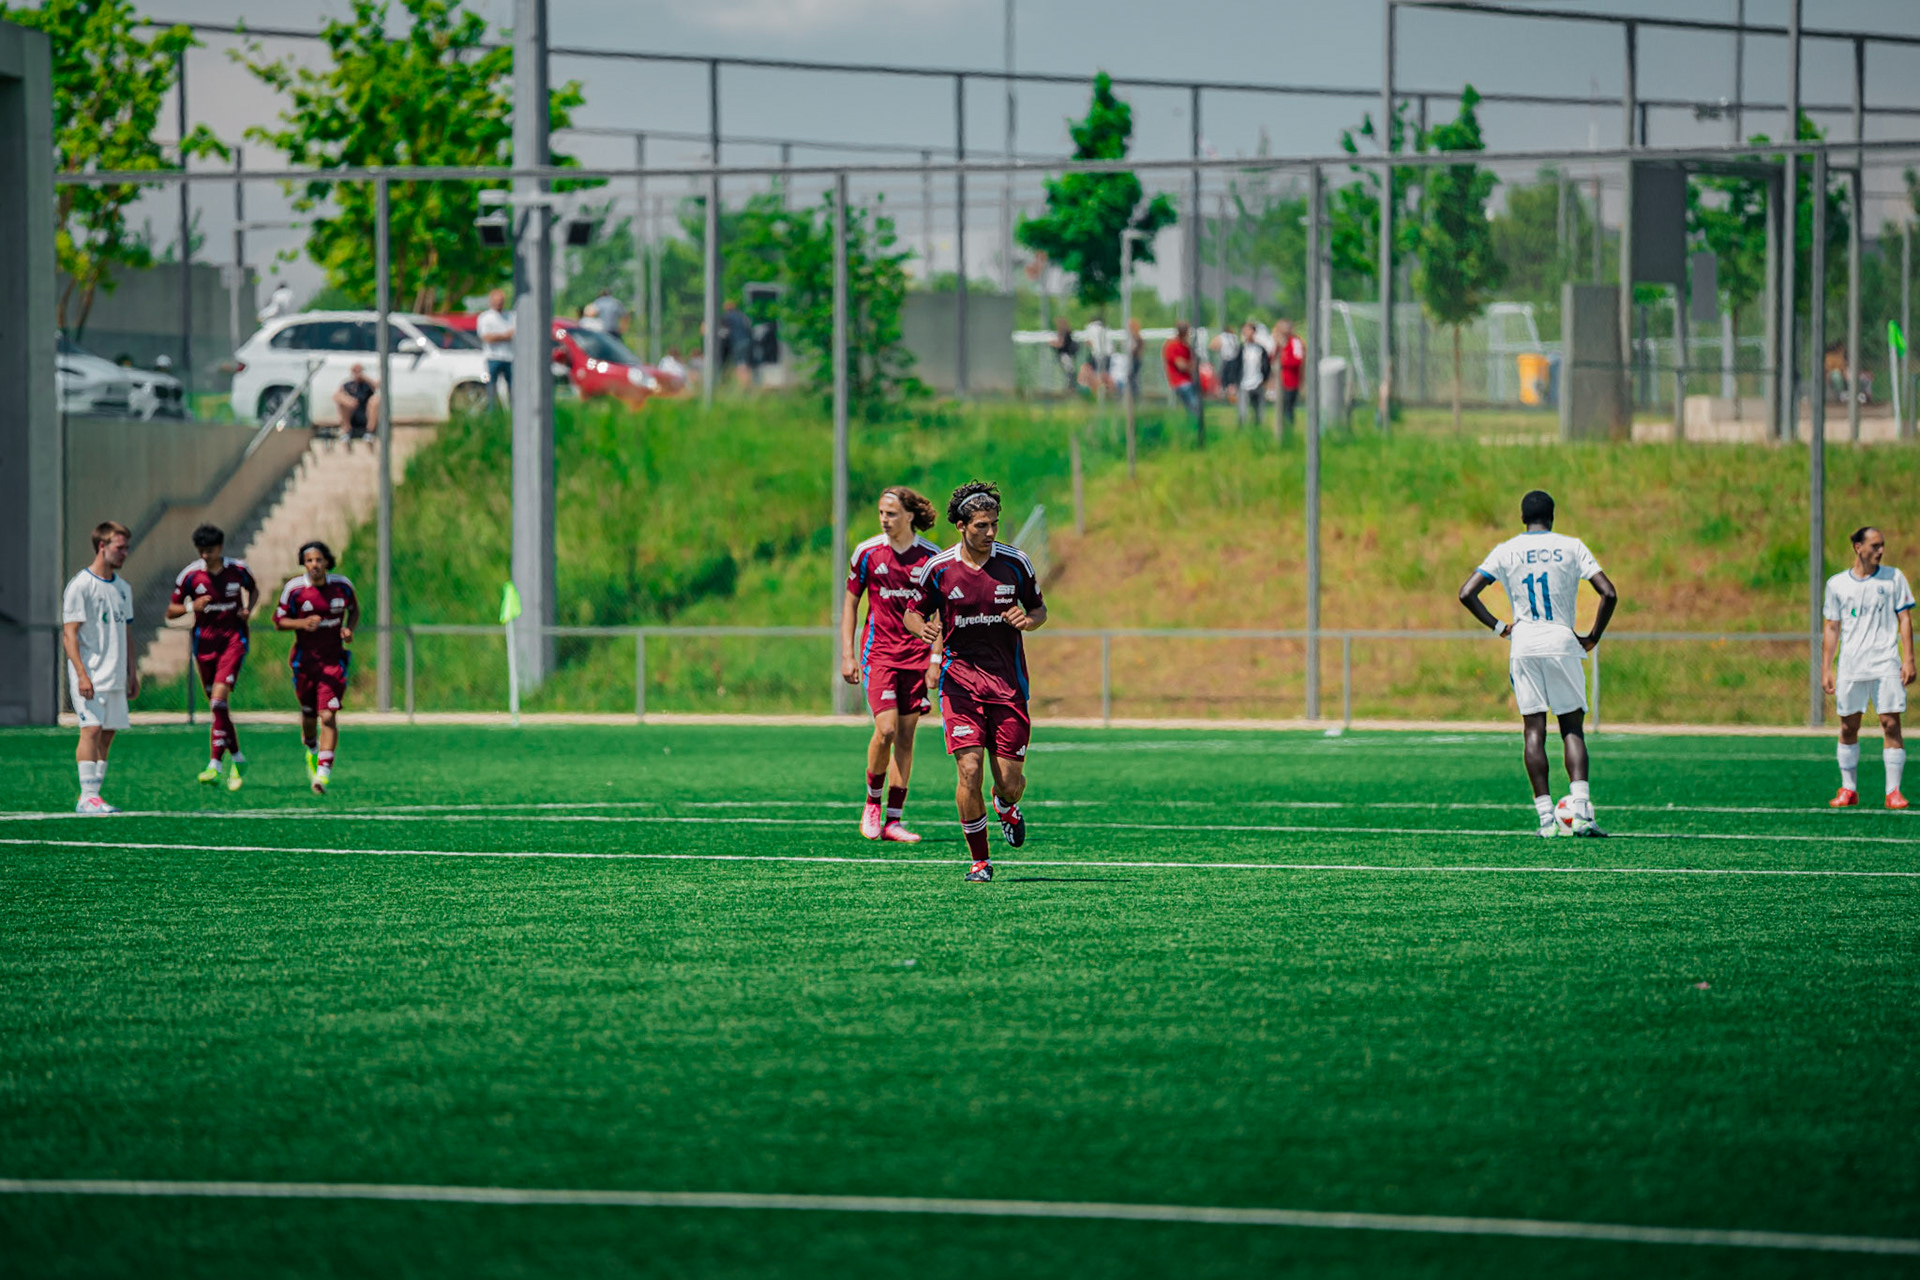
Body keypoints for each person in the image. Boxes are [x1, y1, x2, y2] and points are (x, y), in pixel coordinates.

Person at [904, 482, 1048, 883]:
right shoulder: (939, 569)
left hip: (1007, 685)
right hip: (959, 683)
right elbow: (911, 613)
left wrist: (1028, 620)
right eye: (982, 525)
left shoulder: (1016, 563)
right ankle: (980, 861)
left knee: (1010, 783)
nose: (991, 533)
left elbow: (1039, 609)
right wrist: (921, 630)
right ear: (961, 526)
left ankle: (1006, 808)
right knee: (969, 771)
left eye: (995, 525)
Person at [1458, 490, 1618, 838]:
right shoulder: (1572, 546)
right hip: (1561, 641)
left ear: (1522, 518)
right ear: (1553, 517)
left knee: (1534, 731)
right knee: (1571, 728)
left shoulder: (1506, 549)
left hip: (1524, 643)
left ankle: (1546, 820)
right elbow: (1609, 593)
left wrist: (1501, 627)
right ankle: (1582, 814)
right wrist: (1593, 636)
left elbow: (1466, 592)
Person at [841, 486, 944, 844]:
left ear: (910, 515)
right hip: (879, 653)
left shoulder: (931, 557)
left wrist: (935, 658)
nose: (885, 519)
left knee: (905, 737)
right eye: (881, 513)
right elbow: (851, 604)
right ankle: (872, 804)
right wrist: (847, 653)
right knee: (884, 730)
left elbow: (942, 613)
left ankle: (894, 820)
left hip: (916, 657)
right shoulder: (867, 552)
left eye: (892, 513)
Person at [1821, 526, 1916, 809]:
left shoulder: (1893, 578)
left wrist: (1909, 658)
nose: (1880, 551)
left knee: (1890, 723)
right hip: (1852, 664)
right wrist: (1827, 667)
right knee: (1849, 726)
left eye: (1882, 545)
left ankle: (1893, 791)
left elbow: (1905, 619)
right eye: (1875, 545)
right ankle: (1848, 789)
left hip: (1885, 662)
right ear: (1858, 548)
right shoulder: (1837, 584)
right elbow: (1832, 627)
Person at [166, 524, 259, 791]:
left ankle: (215, 764)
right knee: (218, 708)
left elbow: (254, 590)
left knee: (218, 701)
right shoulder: (190, 576)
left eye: (210, 550)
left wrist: (248, 610)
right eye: (202, 551)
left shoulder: (238, 570)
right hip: (204, 644)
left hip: (233, 641)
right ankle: (238, 758)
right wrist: (189, 607)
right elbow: (170, 612)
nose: (206, 555)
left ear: (220, 548)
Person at [62, 521, 138, 814]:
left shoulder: (122, 588)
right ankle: (87, 796)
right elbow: (70, 634)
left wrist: (132, 672)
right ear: (102, 546)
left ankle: (95, 794)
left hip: (116, 673)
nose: (125, 553)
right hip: (90, 673)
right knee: (91, 730)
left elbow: (127, 633)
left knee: (108, 732)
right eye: (120, 548)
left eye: (127, 548)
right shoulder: (81, 585)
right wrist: (81, 673)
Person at [274, 540, 359, 796]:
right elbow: (278, 621)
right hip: (304, 663)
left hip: (333, 662)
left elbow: (354, 610)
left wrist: (348, 629)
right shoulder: (295, 589)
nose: (314, 565)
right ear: (304, 563)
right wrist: (301, 624)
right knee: (309, 718)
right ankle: (312, 748)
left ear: (327, 562)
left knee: (329, 716)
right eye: (309, 560)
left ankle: (323, 772)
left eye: (318, 560)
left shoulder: (342, 586)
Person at [477, 288, 514, 403]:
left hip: (509, 357)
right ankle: (492, 414)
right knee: (491, 387)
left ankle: (514, 413)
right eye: (497, 301)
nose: (499, 303)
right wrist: (505, 336)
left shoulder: (511, 316)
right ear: (491, 301)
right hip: (492, 358)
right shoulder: (485, 317)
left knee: (513, 388)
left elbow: (516, 333)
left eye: (501, 301)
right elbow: (486, 337)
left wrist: (498, 337)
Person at [332, 364, 379, 446]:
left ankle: (369, 432)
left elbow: (378, 387)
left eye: (359, 371)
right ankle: (346, 431)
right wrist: (348, 400)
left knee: (375, 400)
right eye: (354, 371)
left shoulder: (368, 385)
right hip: (351, 415)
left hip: (366, 415)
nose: (357, 373)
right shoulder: (347, 385)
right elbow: (335, 396)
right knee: (342, 401)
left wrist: (365, 377)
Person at [1238, 321, 1273, 427]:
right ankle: (1242, 428)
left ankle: (1258, 426)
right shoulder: (1241, 349)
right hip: (1243, 382)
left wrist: (1265, 379)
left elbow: (1266, 365)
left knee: (1258, 409)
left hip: (1258, 381)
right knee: (1243, 410)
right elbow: (1235, 366)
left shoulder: (1260, 349)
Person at [1275, 318, 1305, 431]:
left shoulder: (1295, 342)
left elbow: (1298, 360)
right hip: (1281, 381)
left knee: (1288, 408)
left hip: (1291, 381)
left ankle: (1289, 430)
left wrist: (1284, 361)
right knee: (1281, 408)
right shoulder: (1281, 344)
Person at [1163, 322, 1197, 416]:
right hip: (1180, 382)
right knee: (1194, 406)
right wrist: (1192, 366)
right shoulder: (1173, 345)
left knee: (1193, 408)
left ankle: (1193, 425)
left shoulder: (1185, 346)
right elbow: (1181, 365)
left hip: (1188, 380)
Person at [721, 299, 754, 389]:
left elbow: (724, 332)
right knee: (746, 364)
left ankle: (743, 386)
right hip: (748, 341)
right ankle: (749, 384)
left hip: (737, 342)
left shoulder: (727, 316)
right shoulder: (743, 315)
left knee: (740, 365)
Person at [1049, 319, 1080, 393]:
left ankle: (1071, 387)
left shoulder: (1063, 333)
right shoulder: (1066, 333)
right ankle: (1070, 386)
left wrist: (1052, 344)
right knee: (1069, 371)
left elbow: (1061, 343)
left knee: (1069, 371)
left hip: (1065, 355)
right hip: (1067, 355)